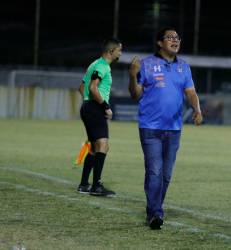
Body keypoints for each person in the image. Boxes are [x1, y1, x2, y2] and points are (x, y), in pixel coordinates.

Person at [128, 27, 202, 229]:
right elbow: (136, 95)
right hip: (150, 128)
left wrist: (197, 108)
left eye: (177, 37)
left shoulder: (184, 67)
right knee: (154, 171)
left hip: (174, 129)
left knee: (166, 175)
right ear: (160, 43)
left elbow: (191, 92)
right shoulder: (147, 64)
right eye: (170, 37)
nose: (175, 40)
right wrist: (133, 76)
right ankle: (154, 214)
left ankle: (154, 208)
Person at [77, 37, 122, 196]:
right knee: (103, 145)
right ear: (111, 51)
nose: (120, 53)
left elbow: (82, 88)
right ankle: (96, 186)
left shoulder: (93, 64)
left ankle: (84, 184)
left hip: (88, 107)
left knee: (95, 147)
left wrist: (88, 103)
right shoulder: (103, 66)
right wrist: (104, 106)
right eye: (119, 50)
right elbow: (92, 87)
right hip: (95, 108)